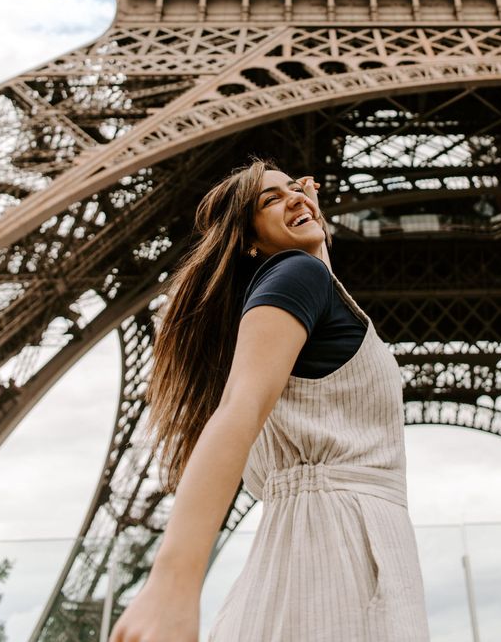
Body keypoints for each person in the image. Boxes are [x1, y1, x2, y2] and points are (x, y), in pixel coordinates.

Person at [109, 160, 429, 642]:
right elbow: (239, 407)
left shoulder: (307, 285)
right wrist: (173, 585)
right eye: (271, 199)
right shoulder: (299, 274)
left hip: (322, 541)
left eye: (295, 188)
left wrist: (311, 229)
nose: (295, 198)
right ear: (247, 240)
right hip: (340, 549)